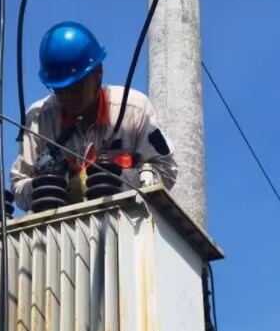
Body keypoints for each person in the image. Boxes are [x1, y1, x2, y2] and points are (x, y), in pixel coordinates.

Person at [10, 21, 177, 212]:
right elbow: (18, 183)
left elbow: (167, 170)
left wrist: (120, 181)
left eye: (76, 87)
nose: (67, 97)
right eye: (59, 90)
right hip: (62, 226)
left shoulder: (134, 110)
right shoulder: (39, 119)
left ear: (98, 74)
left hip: (125, 220)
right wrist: (47, 188)